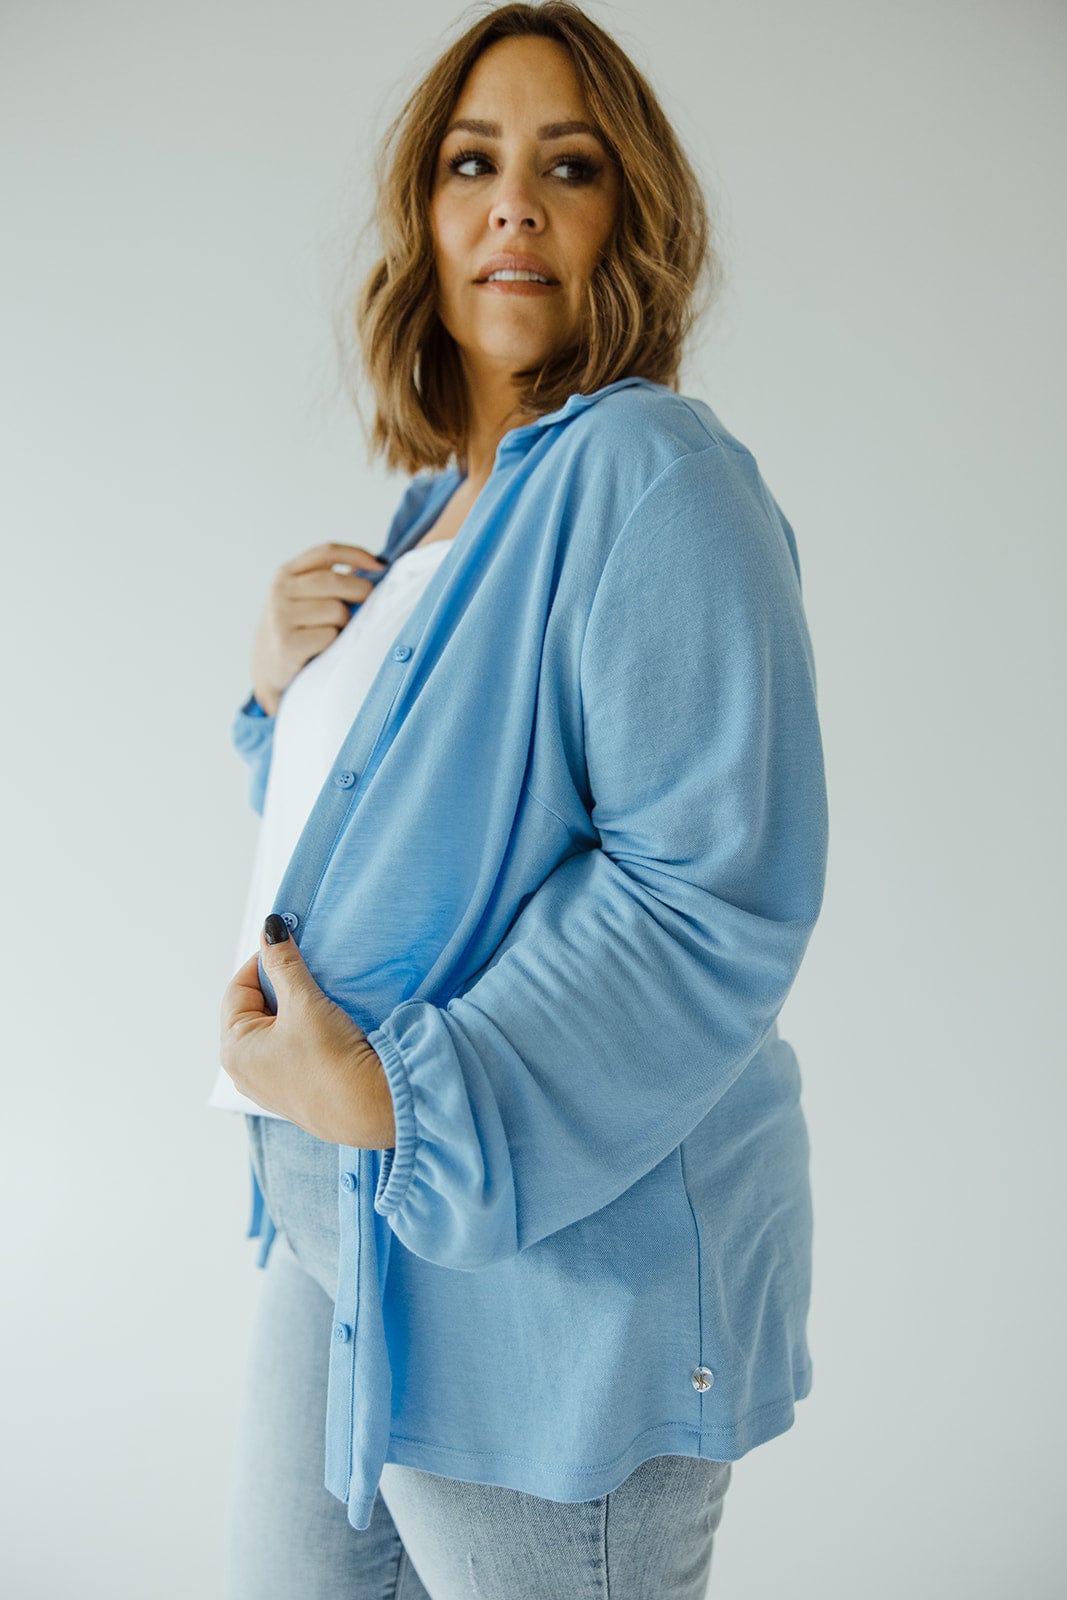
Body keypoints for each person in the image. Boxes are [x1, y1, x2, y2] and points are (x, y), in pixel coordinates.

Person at [208, 3, 829, 1595]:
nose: (515, 203)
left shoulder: (656, 474)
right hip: (350, 1238)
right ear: (425, 213)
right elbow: (425, 844)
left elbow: (703, 890)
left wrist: (407, 1095)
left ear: (634, 218)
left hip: (547, 1287)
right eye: (474, 162)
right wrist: (284, 707)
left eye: (573, 166)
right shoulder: (431, 519)